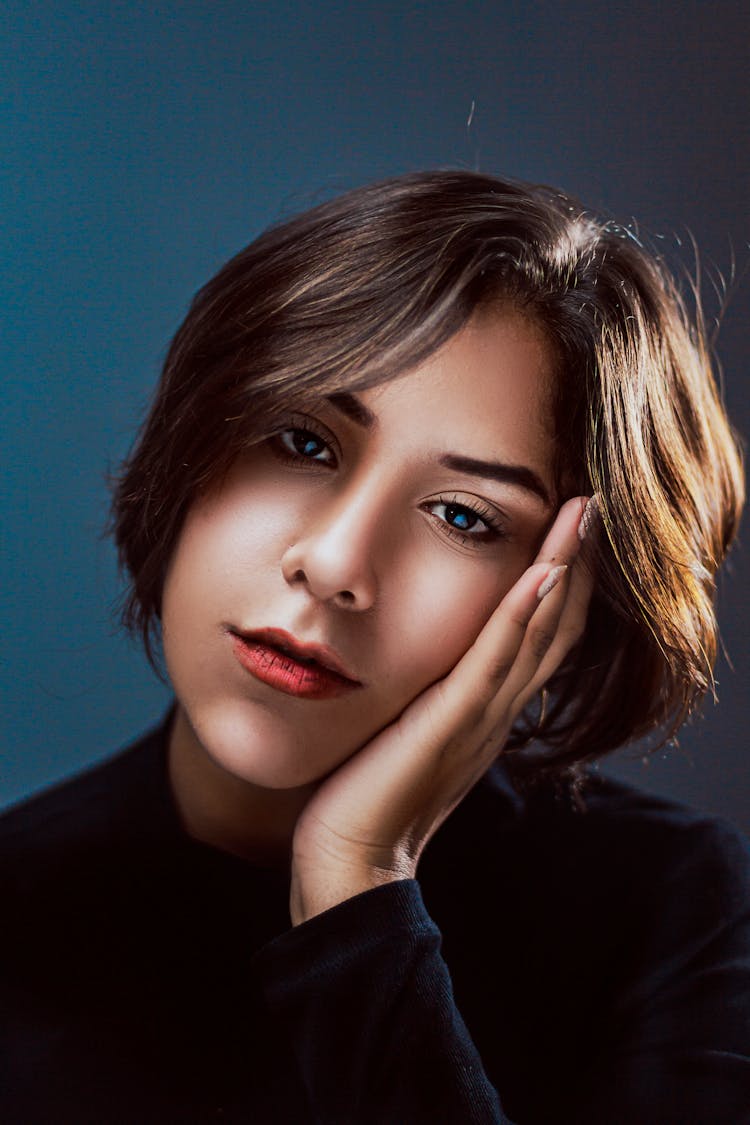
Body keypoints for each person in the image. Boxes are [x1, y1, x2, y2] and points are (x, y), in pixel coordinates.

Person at [2, 170, 748, 1124]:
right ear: (190, 441)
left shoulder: (664, 906)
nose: (335, 564)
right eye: (302, 442)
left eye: (463, 515)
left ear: (568, 595)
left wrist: (360, 883)